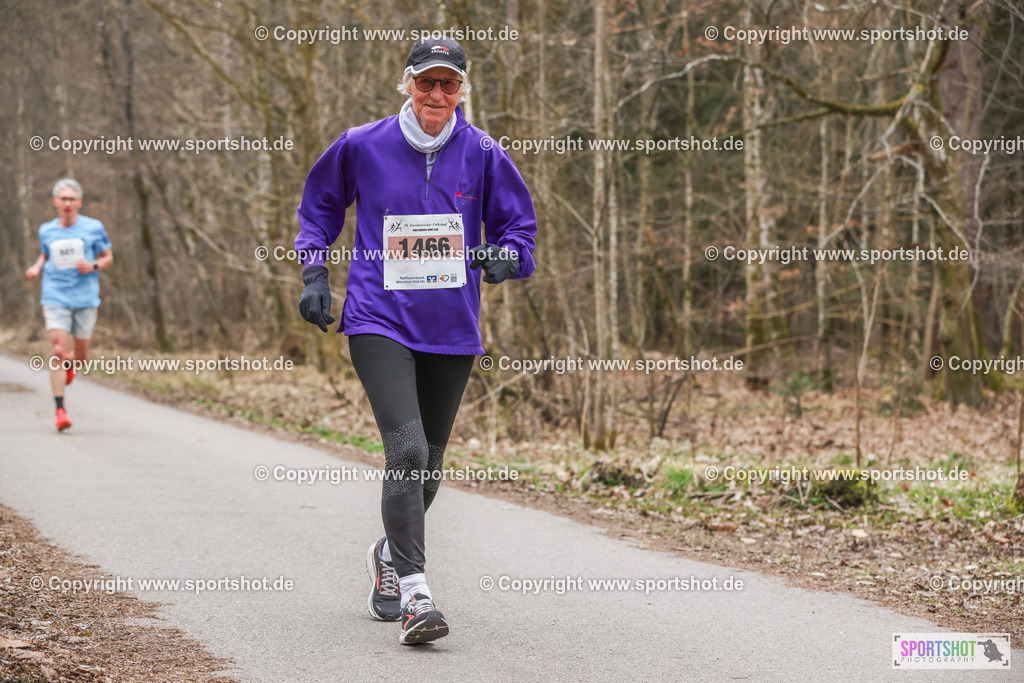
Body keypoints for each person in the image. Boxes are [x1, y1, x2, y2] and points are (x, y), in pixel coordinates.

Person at [294, 37, 537, 644]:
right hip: (377, 318)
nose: (437, 95)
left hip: (451, 329)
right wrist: (315, 271)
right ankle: (415, 593)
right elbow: (320, 204)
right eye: (426, 82)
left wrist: (507, 258)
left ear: (462, 91)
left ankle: (387, 553)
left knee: (427, 467)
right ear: (406, 83)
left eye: (448, 85)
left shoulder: (482, 151)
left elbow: (519, 230)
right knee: (404, 449)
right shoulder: (362, 144)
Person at [25, 178, 113, 431]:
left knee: (80, 357)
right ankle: (60, 410)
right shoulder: (47, 230)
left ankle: (70, 367)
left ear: (79, 202)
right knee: (57, 350)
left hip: (85, 298)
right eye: (63, 199)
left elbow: (108, 257)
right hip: (55, 295)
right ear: (55, 202)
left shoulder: (94, 227)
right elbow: (45, 253)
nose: (67, 203)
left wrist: (93, 265)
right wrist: (36, 267)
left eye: (71, 199)